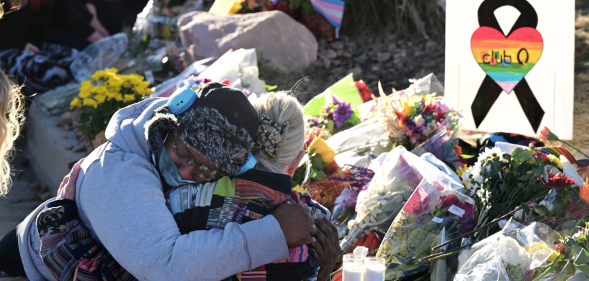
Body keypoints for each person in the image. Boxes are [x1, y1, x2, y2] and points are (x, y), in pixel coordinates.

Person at [5, 82, 330, 280]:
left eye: (205, 170)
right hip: (30, 268)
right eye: (181, 152)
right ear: (166, 127)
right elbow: (166, 268)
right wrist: (274, 232)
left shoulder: (202, 180)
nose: (188, 172)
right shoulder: (122, 171)